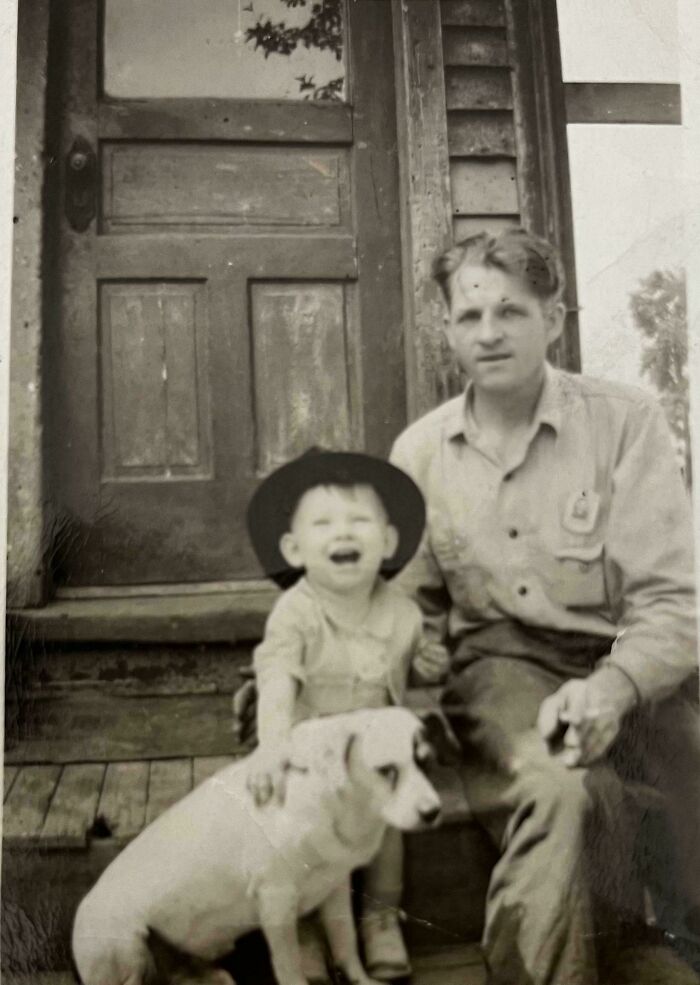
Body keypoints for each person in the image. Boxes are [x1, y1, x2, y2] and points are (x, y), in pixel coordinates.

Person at [389, 228, 700, 985]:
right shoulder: (421, 453)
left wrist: (614, 688)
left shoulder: (625, 422)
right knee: (563, 789)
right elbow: (406, 614)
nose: (488, 334)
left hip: (627, 661)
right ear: (447, 329)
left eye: (511, 312)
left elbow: (676, 604)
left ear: (553, 318)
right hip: (498, 671)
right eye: (469, 317)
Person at [244, 448, 448, 983]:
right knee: (301, 837)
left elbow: (407, 679)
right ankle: (309, 926)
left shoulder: (403, 614)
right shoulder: (297, 612)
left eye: (360, 521)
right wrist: (274, 748)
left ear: (389, 542)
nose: (345, 533)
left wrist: (429, 665)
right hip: (308, 754)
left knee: (390, 823)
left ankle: (381, 917)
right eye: (324, 523)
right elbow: (278, 682)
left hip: (374, 756)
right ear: (294, 548)